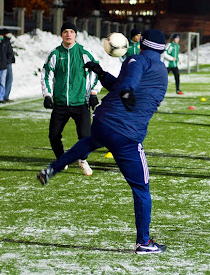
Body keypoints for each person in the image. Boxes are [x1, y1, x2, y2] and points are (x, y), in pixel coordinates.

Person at [37, 29, 169, 254]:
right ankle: (144, 243)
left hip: (102, 121)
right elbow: (127, 85)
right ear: (162, 49)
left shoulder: (134, 59)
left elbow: (122, 84)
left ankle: (53, 168)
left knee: (90, 141)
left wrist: (100, 72)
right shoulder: (150, 65)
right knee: (141, 188)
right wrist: (127, 92)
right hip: (126, 134)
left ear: (143, 44)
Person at [41, 22, 101, 176]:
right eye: (65, 32)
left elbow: (96, 72)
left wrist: (93, 93)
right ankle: (62, 159)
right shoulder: (55, 54)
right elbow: (46, 75)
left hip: (81, 102)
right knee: (53, 136)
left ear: (75, 35)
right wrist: (47, 95)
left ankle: (82, 159)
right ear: (61, 34)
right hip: (60, 103)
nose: (68, 34)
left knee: (85, 137)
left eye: (71, 32)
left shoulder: (84, 52)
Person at [2, 30, 16, 103]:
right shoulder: (5, 42)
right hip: (6, 63)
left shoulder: (7, 42)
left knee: (8, 79)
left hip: (8, 62)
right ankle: (4, 96)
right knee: (7, 79)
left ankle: (6, 95)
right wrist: (8, 60)